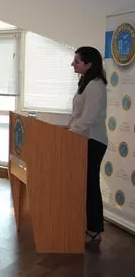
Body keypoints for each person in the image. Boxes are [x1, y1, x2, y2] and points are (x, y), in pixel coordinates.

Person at [68, 46, 108, 242]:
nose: (73, 64)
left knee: (90, 184)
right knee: (84, 184)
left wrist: (70, 133)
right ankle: (86, 224)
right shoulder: (85, 82)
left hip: (93, 141)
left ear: (89, 64)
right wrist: (68, 129)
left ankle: (94, 229)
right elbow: (77, 115)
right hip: (82, 139)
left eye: (77, 61)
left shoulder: (95, 86)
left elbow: (88, 118)